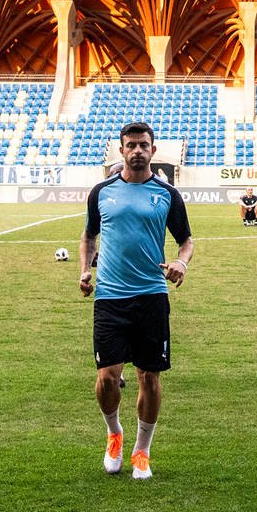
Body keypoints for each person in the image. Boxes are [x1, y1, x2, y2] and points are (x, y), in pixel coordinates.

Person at [80, 122, 193, 480]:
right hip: (110, 296)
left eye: (144, 145)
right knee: (107, 378)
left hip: (151, 296)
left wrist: (181, 263)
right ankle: (114, 433)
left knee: (149, 378)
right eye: (131, 145)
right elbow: (88, 236)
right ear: (122, 150)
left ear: (153, 150)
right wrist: (84, 270)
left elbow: (186, 241)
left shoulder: (167, 194)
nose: (138, 151)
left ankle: (142, 451)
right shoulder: (101, 192)